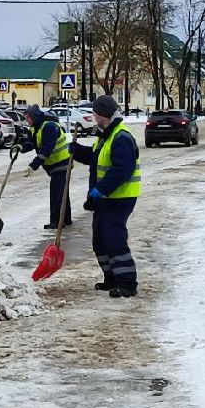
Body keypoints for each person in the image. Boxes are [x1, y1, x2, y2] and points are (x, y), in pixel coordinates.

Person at [69, 95, 141, 298]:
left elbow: (122, 170)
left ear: (103, 115)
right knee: (100, 241)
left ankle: (127, 283)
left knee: (114, 239)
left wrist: (102, 189)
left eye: (95, 113)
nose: (93, 116)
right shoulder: (105, 135)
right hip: (105, 199)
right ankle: (112, 278)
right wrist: (78, 151)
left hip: (119, 198)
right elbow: (96, 158)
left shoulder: (121, 137)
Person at [19, 105, 73, 230]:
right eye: (25, 118)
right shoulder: (36, 127)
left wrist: (34, 165)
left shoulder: (49, 126)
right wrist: (21, 147)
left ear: (34, 116)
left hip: (61, 162)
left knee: (56, 193)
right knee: (62, 192)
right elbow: (34, 143)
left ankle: (56, 222)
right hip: (55, 164)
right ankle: (66, 219)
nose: (27, 120)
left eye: (28, 117)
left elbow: (47, 148)